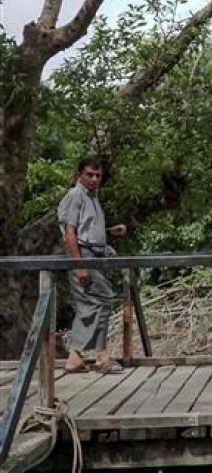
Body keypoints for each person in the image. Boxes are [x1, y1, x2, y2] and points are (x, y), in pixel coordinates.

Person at [57, 157, 128, 374]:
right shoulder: (75, 195)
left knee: (89, 305)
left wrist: (108, 232)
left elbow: (85, 229)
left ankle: (75, 357)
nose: (94, 179)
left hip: (94, 254)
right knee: (104, 298)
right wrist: (79, 266)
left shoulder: (93, 197)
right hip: (83, 255)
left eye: (98, 176)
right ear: (79, 175)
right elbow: (69, 234)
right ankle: (101, 355)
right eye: (89, 174)